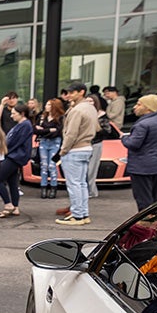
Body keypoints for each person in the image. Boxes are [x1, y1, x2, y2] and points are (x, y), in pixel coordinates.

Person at [56, 81, 99, 226]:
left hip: (75, 149)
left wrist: (63, 150)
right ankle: (83, 213)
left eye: (72, 92)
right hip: (86, 147)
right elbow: (97, 128)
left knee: (74, 184)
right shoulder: (90, 108)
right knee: (81, 184)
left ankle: (78, 215)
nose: (69, 95)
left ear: (81, 92)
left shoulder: (77, 110)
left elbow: (71, 134)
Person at [120, 94, 157, 211]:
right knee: (153, 195)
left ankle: (146, 223)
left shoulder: (143, 124)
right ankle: (154, 218)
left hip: (141, 166)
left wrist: (124, 138)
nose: (135, 107)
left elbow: (133, 144)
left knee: (143, 198)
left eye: (139, 104)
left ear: (148, 107)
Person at [0, 104, 33, 218]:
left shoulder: (25, 125)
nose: (11, 116)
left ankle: (8, 204)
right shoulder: (22, 125)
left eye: (13, 113)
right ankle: (15, 207)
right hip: (15, 156)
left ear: (22, 114)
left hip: (14, 156)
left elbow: (14, 141)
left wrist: (3, 150)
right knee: (12, 182)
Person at [33, 98, 64, 197]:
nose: (46, 106)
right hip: (43, 142)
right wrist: (49, 130)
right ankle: (43, 187)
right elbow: (36, 130)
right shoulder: (42, 117)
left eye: (49, 105)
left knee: (52, 165)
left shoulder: (60, 118)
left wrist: (44, 130)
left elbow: (58, 132)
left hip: (55, 142)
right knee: (44, 165)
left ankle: (53, 188)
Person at [84, 90, 111, 198]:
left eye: (91, 101)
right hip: (84, 144)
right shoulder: (83, 113)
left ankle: (91, 191)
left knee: (91, 169)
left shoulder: (102, 115)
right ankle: (85, 190)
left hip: (96, 144)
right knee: (84, 169)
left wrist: (97, 128)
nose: (89, 103)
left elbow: (107, 131)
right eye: (87, 101)